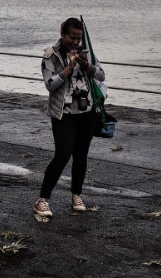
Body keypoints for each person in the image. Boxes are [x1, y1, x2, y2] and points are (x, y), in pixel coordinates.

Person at [33, 17, 106, 217]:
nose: (75, 42)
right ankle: (42, 200)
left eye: (78, 38)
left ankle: (76, 195)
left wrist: (87, 66)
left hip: (87, 112)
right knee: (62, 155)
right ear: (63, 34)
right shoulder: (51, 56)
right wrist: (69, 69)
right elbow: (50, 85)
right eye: (71, 38)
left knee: (81, 156)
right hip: (63, 113)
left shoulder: (87, 52)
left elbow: (102, 76)